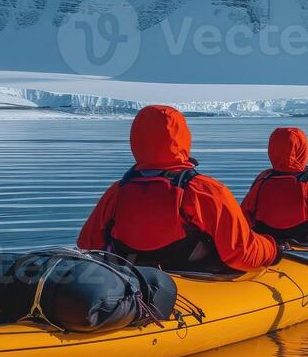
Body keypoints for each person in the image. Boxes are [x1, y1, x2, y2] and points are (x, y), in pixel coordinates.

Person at [77, 105, 279, 272]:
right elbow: (242, 254)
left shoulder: (118, 191)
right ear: (183, 137)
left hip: (136, 279)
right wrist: (272, 249)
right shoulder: (203, 190)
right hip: (197, 279)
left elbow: (87, 243)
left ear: (137, 139)